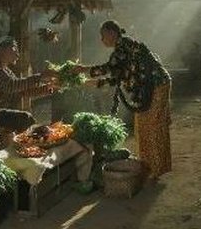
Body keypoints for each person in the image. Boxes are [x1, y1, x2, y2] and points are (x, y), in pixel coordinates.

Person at [74, 20, 172, 179]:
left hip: (156, 86)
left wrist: (83, 69)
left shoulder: (124, 46)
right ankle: (148, 166)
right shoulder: (123, 49)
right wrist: (92, 82)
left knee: (152, 125)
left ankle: (155, 170)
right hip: (149, 88)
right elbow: (118, 77)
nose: (101, 39)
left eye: (102, 35)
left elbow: (110, 69)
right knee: (142, 125)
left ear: (111, 33)